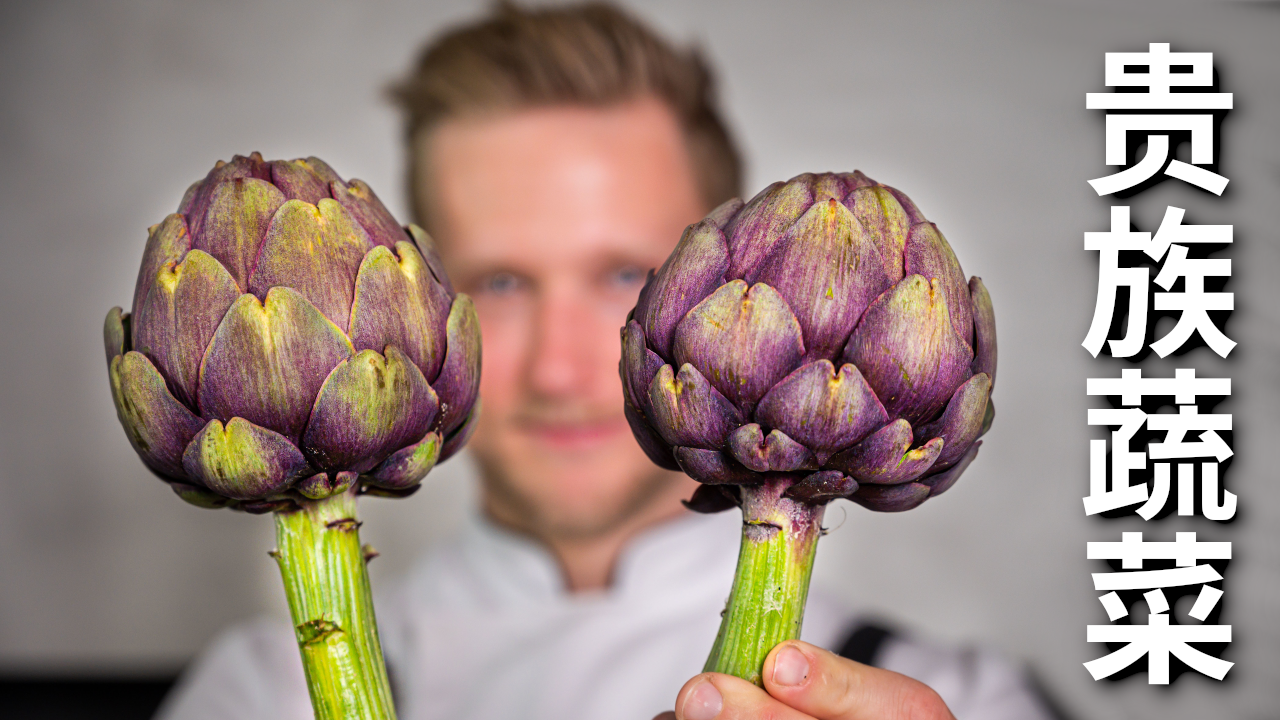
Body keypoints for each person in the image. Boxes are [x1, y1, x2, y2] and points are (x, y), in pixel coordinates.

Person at [158, 4, 1057, 720]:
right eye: (502, 278)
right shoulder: (250, 696)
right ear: (429, 298)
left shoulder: (970, 702)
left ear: (711, 272)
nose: (559, 366)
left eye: (624, 273)